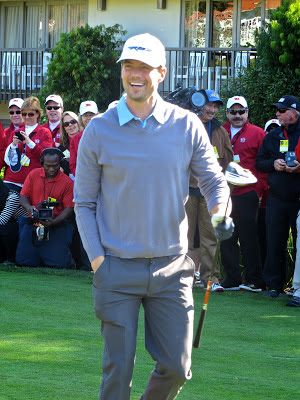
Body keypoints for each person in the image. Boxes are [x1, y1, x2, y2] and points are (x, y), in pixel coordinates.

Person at [74, 33, 233, 400]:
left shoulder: (187, 125)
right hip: (115, 267)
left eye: (145, 67)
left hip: (171, 269)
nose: (135, 74)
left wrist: (220, 210)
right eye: (129, 65)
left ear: (161, 72)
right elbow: (84, 203)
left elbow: (213, 181)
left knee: (178, 367)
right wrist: (99, 261)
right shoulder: (98, 129)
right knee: (118, 372)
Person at [185, 89, 233, 291]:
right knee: (183, 236)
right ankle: (184, 278)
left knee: (210, 236)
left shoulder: (220, 131)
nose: (212, 109)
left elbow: (228, 160)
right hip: (185, 190)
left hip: (209, 193)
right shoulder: (185, 126)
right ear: (198, 105)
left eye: (216, 106)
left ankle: (210, 280)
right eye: (209, 105)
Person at [221, 95, 267, 292]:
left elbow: (264, 163)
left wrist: (259, 190)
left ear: (247, 112)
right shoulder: (219, 132)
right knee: (225, 237)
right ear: (227, 113)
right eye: (233, 112)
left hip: (248, 192)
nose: (237, 115)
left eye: (241, 111)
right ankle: (232, 278)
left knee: (249, 238)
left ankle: (253, 280)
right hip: (223, 194)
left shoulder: (258, 133)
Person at [256, 95, 300, 297]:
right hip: (277, 197)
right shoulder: (272, 136)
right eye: (277, 110)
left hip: (298, 198)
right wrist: (273, 164)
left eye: (282, 110)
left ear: (294, 113)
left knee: (299, 243)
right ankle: (274, 285)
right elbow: (260, 163)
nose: (277, 113)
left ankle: (297, 287)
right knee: (274, 241)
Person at [15, 148, 74, 269]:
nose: (51, 169)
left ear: (61, 164)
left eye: (55, 166)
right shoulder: (33, 174)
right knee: (23, 262)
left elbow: (69, 208)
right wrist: (29, 208)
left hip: (56, 224)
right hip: (34, 223)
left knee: (59, 264)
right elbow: (23, 196)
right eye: (47, 166)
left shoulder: (68, 182)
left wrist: (54, 222)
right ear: (42, 163)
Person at [3, 96, 52, 193]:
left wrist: (30, 143)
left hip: (33, 180)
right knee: (9, 207)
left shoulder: (45, 132)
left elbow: (45, 156)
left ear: (37, 114)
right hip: (13, 180)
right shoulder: (16, 132)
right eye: (24, 114)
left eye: (30, 114)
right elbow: (7, 159)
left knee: (28, 207)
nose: (27, 117)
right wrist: (13, 145)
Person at [0, 178, 27, 264]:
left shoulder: (12, 197)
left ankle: (11, 258)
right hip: (13, 225)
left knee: (5, 228)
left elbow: (2, 221)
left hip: (25, 227)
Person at [69, 101, 99, 177]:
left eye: (91, 115)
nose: (88, 118)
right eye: (85, 115)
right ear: (81, 118)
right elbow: (73, 164)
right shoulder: (75, 139)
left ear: (97, 115)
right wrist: (82, 178)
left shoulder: (105, 136)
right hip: (83, 181)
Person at [1, 98, 25, 170]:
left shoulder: (31, 130)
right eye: (12, 112)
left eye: (18, 112)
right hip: (10, 176)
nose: (15, 115)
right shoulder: (4, 133)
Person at [58, 111, 82, 177]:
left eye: (73, 121)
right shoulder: (61, 144)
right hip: (67, 178)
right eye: (66, 124)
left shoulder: (85, 139)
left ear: (78, 122)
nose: (70, 125)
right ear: (64, 128)